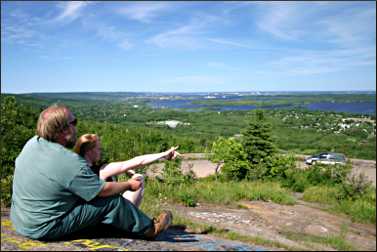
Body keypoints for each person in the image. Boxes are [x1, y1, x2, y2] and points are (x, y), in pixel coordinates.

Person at [10, 104, 178, 241]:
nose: (77, 127)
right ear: (62, 130)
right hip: (44, 227)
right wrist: (128, 184)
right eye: (73, 122)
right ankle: (151, 229)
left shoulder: (32, 144)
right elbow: (102, 191)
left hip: (21, 221)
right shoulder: (68, 161)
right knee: (112, 202)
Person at [73, 133, 180, 208]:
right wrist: (164, 154)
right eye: (98, 149)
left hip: (88, 213)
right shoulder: (102, 170)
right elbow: (138, 161)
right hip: (105, 216)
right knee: (138, 178)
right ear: (89, 151)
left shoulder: (76, 169)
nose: (100, 151)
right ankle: (130, 220)